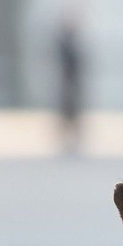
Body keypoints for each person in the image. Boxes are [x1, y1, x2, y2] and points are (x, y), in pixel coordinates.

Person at [54, 17, 85, 155]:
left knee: (74, 113)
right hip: (67, 82)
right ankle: (66, 141)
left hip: (73, 82)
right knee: (67, 112)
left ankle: (73, 141)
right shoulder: (64, 42)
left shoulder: (74, 42)